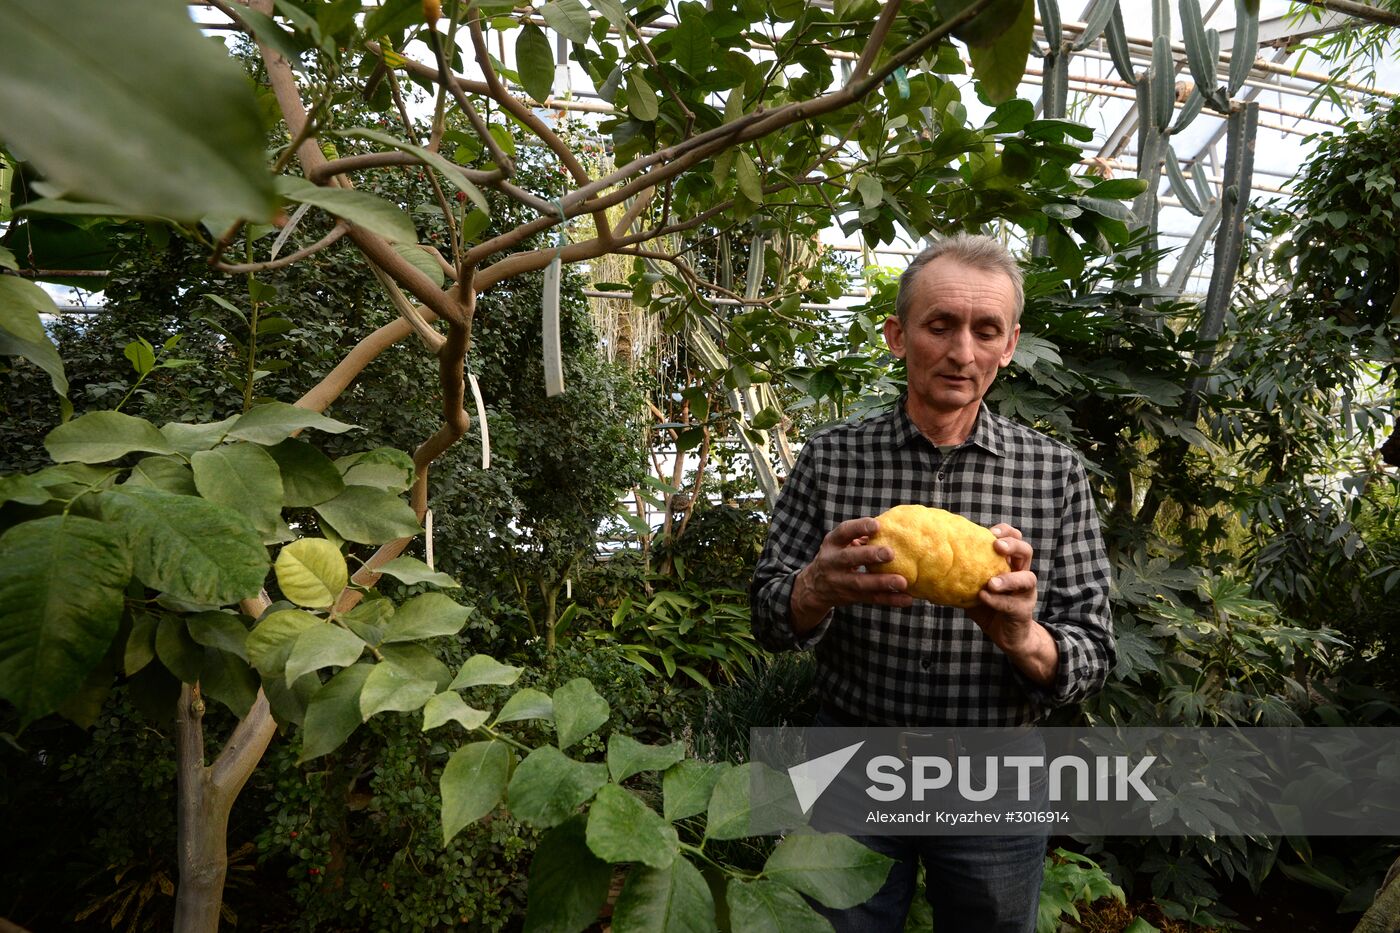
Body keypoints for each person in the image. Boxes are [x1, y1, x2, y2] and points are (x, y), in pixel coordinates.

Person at [750, 234, 1115, 932]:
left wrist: (1023, 634)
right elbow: (768, 618)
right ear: (897, 334)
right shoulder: (832, 460)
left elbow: (1092, 653)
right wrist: (815, 588)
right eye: (940, 324)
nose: (962, 352)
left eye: (986, 330)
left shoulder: (1054, 475)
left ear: (1010, 344)